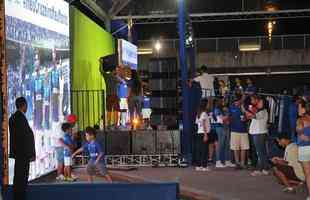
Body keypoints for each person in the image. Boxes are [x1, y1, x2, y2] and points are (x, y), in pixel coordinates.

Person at [9, 97, 35, 200]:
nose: (27, 107)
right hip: (23, 154)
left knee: (18, 177)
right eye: (26, 105)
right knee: (22, 178)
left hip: (18, 153)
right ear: (23, 105)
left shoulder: (13, 118)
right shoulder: (20, 118)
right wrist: (31, 154)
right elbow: (26, 137)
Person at [246, 96, 269, 176]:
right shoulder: (259, 111)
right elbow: (251, 116)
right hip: (258, 133)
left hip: (259, 133)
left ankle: (260, 169)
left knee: (260, 152)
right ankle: (265, 168)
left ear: (264, 104)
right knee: (262, 152)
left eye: (260, 102)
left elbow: (253, 116)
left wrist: (246, 110)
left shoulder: (263, 111)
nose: (258, 103)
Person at [229, 96, 249, 169]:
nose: (236, 102)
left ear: (240, 100)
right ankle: (237, 163)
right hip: (234, 130)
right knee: (235, 148)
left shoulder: (244, 107)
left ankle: (242, 163)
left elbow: (248, 116)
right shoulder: (231, 107)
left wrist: (245, 118)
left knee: (244, 148)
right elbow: (229, 116)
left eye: (237, 100)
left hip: (243, 131)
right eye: (235, 101)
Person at [296, 100, 310, 200]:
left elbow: (301, 134)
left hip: (304, 148)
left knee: (308, 174)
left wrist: (300, 133)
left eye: (300, 107)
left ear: (305, 109)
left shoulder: (300, 120)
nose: (298, 109)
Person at [212, 98, 231, 168]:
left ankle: (227, 160)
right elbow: (222, 119)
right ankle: (218, 161)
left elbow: (226, 119)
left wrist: (227, 116)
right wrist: (228, 115)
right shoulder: (216, 110)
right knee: (220, 145)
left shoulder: (223, 109)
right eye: (221, 101)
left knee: (227, 145)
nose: (223, 102)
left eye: (223, 101)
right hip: (219, 128)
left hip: (225, 128)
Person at [195, 101, 211, 171]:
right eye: (207, 104)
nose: (208, 105)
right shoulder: (204, 113)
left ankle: (198, 166)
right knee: (204, 150)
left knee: (199, 149)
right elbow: (204, 124)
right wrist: (205, 134)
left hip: (199, 133)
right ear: (205, 105)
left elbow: (197, 123)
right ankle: (204, 166)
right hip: (203, 133)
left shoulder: (199, 113)